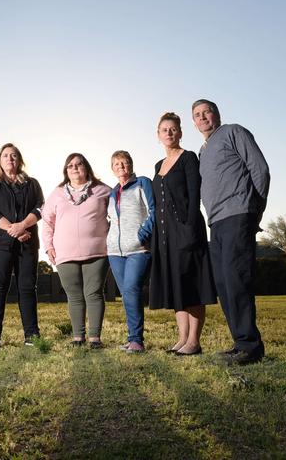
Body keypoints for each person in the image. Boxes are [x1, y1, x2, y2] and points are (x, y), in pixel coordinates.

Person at [192, 99, 270, 365]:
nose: (202, 117)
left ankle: (251, 346)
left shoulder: (233, 131)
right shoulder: (202, 151)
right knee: (224, 283)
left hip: (239, 215)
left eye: (206, 112)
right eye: (197, 115)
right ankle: (240, 342)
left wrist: (254, 211)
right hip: (216, 222)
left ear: (217, 113)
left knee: (237, 279)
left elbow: (260, 169)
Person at [149, 113, 217, 356]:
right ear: (158, 135)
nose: (169, 133)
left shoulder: (188, 158)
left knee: (192, 285)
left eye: (173, 129)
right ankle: (182, 338)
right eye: (164, 129)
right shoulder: (158, 166)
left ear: (180, 132)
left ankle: (194, 342)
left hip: (187, 230)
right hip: (165, 236)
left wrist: (189, 229)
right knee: (176, 285)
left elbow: (194, 196)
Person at [42, 153, 111, 349]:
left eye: (79, 164)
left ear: (86, 167)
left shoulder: (102, 190)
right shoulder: (57, 194)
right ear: (66, 171)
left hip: (97, 251)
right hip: (65, 253)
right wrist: (49, 247)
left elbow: (118, 214)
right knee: (74, 295)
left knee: (94, 293)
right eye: (70, 165)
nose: (74, 168)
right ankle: (77, 337)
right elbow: (47, 222)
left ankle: (95, 338)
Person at [0, 143, 44, 349]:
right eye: (6, 155)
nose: (10, 159)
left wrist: (23, 226)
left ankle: (32, 336)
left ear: (20, 160)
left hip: (27, 242)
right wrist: (12, 229)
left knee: (27, 288)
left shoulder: (32, 184)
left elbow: (41, 207)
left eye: (14, 155)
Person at [106, 150, 155, 353]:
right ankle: (131, 337)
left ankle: (137, 340)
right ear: (112, 168)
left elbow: (154, 210)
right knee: (126, 294)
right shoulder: (112, 192)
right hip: (115, 252)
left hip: (138, 249)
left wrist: (141, 235)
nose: (121, 167)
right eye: (117, 164)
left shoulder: (142, 183)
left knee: (132, 290)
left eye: (124, 163)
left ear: (131, 164)